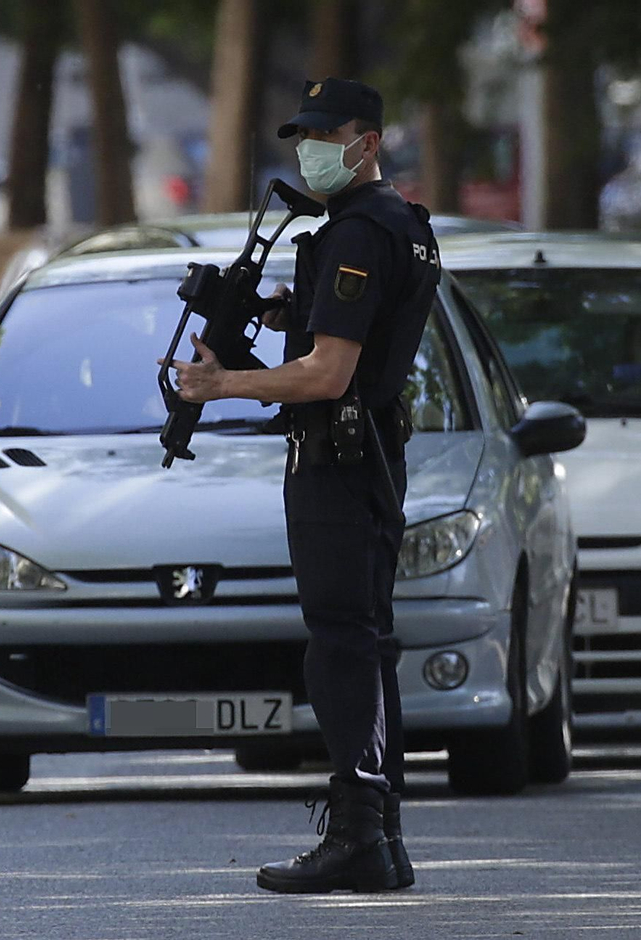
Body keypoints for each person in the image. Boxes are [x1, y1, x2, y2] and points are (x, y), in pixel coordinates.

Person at [164, 77, 440, 894]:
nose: (310, 149)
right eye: (302, 135)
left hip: (339, 461)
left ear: (369, 141)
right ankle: (379, 834)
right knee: (365, 642)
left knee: (342, 648)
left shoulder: (359, 231)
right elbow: (347, 337)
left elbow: (328, 374)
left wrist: (221, 388)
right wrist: (285, 310)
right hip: (369, 458)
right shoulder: (399, 228)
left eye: (327, 134)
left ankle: (359, 835)